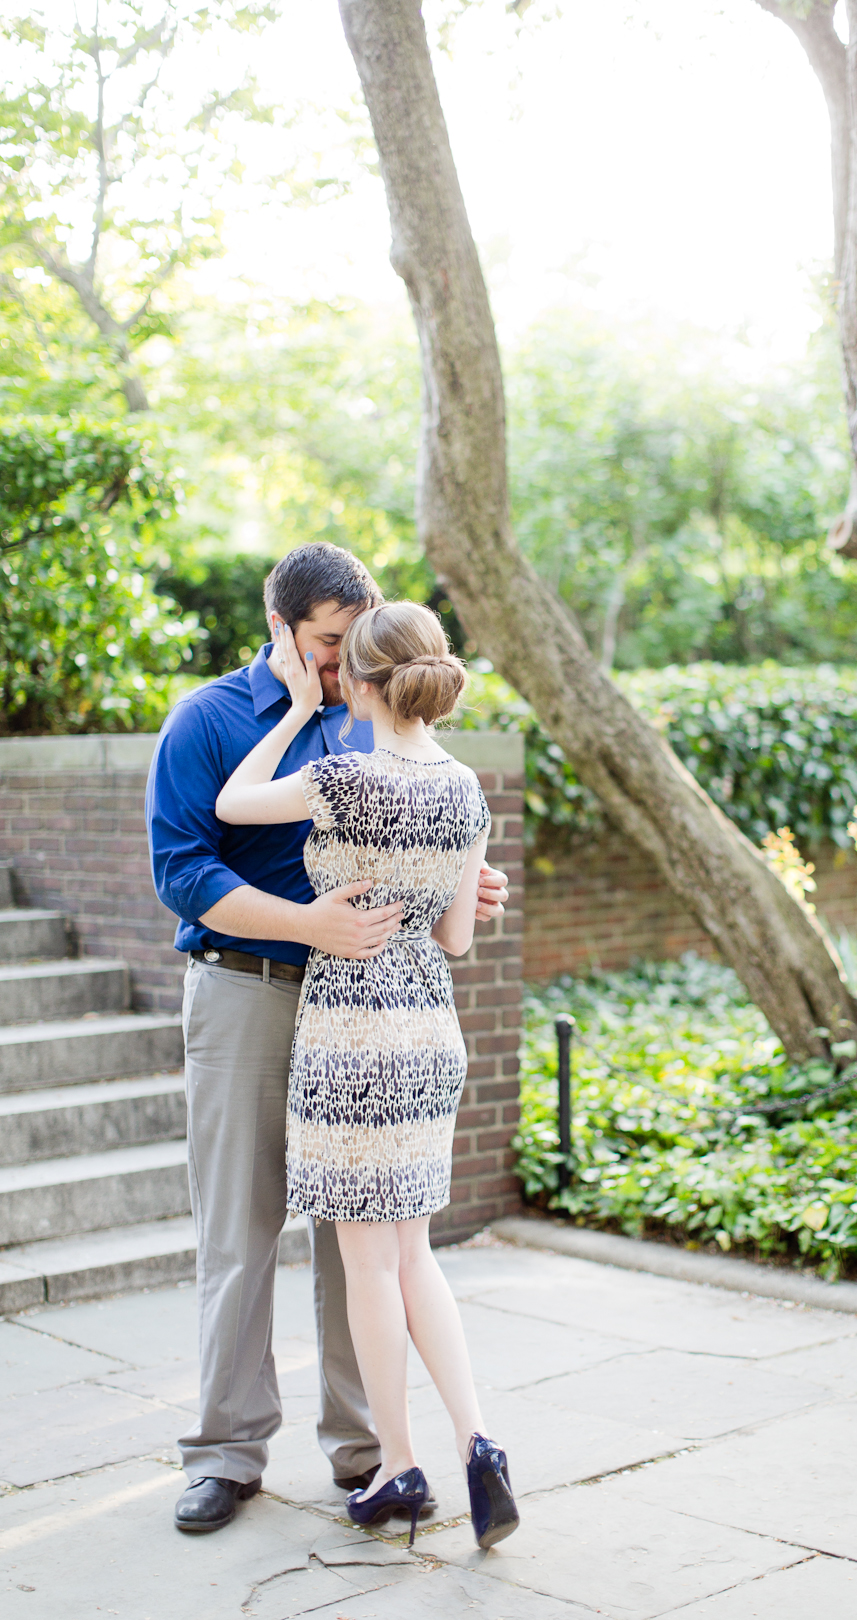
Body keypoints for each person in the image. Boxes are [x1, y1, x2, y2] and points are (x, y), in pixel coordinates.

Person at [145, 543, 509, 1535]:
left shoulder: (364, 736)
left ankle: (369, 1452)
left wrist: (464, 885)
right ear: (283, 633)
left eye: (359, 646)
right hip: (251, 994)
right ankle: (227, 1455)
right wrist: (313, 922)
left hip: (359, 1013)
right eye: (328, 646)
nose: (345, 666)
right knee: (244, 1229)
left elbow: (423, 881)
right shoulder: (210, 719)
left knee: (360, 1245)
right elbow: (181, 869)